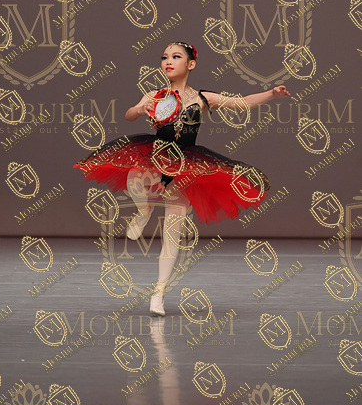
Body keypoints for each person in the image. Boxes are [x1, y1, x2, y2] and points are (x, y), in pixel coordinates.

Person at [74, 41, 290, 315]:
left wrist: (271, 94)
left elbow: (240, 103)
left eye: (176, 57)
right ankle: (144, 209)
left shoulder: (202, 98)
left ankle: (159, 293)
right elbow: (129, 114)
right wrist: (140, 109)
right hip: (155, 154)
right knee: (135, 175)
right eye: (164, 57)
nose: (168, 61)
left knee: (172, 232)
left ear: (191, 64)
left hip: (186, 165)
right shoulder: (154, 95)